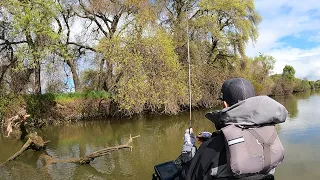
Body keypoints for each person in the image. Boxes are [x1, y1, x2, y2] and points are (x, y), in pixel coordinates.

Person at [176, 77, 287, 180]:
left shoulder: (210, 148)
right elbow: (248, 140)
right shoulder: (270, 134)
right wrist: (213, 138)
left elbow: (187, 176)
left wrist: (188, 149)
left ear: (225, 105)